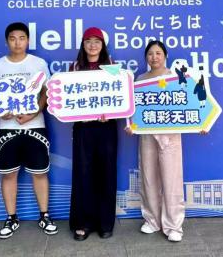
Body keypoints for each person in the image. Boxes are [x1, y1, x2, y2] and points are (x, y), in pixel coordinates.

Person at [0, 22, 58, 239]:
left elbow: (47, 92)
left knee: (40, 173)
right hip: (6, 128)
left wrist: (34, 112)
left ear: (28, 40)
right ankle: (11, 218)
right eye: (12, 38)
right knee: (9, 174)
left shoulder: (38, 64)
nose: (17, 42)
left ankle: (44, 215)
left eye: (21, 38)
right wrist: (0, 111)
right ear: (7, 41)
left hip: (35, 126)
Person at [130, 40, 185, 242]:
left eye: (158, 53)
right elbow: (134, 109)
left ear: (165, 56)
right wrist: (131, 124)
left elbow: (192, 104)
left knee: (172, 179)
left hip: (170, 134)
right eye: (150, 54)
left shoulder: (176, 78)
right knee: (149, 177)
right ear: (146, 57)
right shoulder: (140, 80)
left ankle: (174, 226)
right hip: (147, 135)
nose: (154, 57)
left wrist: (202, 124)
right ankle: (152, 220)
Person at [69, 27, 118, 241]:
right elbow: (68, 100)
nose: (92, 45)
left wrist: (111, 112)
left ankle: (105, 223)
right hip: (83, 128)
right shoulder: (74, 67)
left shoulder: (112, 67)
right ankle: (83, 223)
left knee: (106, 173)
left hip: (106, 127)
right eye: (88, 41)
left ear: (103, 45)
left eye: (97, 41)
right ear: (83, 44)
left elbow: (119, 97)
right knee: (83, 174)